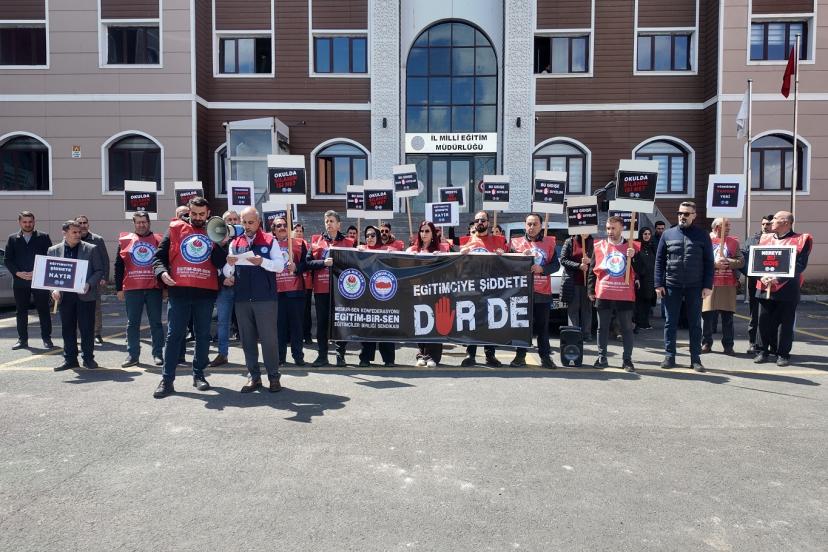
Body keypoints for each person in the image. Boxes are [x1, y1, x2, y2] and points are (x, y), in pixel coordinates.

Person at [151, 197, 228, 398]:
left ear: (208, 213)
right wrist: (161, 272)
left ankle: (199, 374)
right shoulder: (176, 228)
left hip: (205, 293)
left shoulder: (215, 230)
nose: (198, 217)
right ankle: (167, 380)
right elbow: (158, 257)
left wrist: (220, 244)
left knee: (202, 335)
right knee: (174, 335)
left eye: (202, 214)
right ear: (189, 211)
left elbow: (220, 263)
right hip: (179, 291)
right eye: (194, 213)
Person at [224, 207, 286, 392]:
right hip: (242, 298)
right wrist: (229, 265)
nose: (247, 226)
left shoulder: (269, 240)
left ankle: (273, 377)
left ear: (258, 222)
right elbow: (227, 272)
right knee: (247, 340)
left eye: (251, 222)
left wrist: (263, 262)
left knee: (269, 340)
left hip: (265, 298)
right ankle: (254, 377)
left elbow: (280, 266)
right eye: (244, 222)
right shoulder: (235, 243)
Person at [654, 201, 714, 372]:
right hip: (672, 285)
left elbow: (709, 262)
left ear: (694, 215)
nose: (682, 216)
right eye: (680, 213)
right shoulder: (668, 234)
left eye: (686, 214)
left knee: (695, 324)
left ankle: (695, 359)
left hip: (695, 286)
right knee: (670, 323)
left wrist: (707, 285)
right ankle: (669, 356)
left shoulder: (702, 235)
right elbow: (659, 261)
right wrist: (658, 283)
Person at [754, 211, 813, 367]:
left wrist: (778, 278)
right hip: (764, 285)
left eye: (775, 219)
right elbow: (756, 261)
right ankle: (762, 351)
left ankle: (782, 354)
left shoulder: (801, 240)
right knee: (763, 321)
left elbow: (800, 265)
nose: (771, 221)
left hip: (788, 288)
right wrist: (761, 276)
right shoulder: (764, 238)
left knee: (785, 323)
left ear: (786, 222)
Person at [587, 216, 642, 372]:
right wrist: (590, 290)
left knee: (626, 328)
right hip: (604, 292)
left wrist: (634, 257)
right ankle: (602, 357)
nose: (610, 231)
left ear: (621, 229)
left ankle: (627, 360)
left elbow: (642, 270)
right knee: (602, 328)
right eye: (608, 228)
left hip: (624, 293)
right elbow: (592, 269)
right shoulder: (599, 245)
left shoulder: (632, 246)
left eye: (613, 228)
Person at [49, 220, 105, 371]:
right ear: (64, 233)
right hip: (65, 297)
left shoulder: (91, 249)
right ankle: (70, 359)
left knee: (87, 329)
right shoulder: (53, 250)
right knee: (67, 329)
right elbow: (50, 275)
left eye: (79, 232)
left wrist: (89, 284)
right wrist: (53, 290)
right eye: (74, 232)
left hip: (85, 295)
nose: (78, 235)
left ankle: (88, 359)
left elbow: (99, 271)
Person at [114, 212, 165, 367]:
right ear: (134, 223)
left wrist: (165, 288)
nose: (141, 225)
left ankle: (158, 354)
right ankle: (132, 355)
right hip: (132, 288)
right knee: (132, 324)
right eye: (138, 222)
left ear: (149, 223)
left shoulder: (159, 240)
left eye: (144, 222)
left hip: (154, 288)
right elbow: (118, 265)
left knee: (156, 323)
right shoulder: (125, 240)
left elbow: (165, 263)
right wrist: (119, 288)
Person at [509, 213, 559, 368]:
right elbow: (508, 264)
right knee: (522, 326)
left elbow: (555, 265)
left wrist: (542, 269)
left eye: (535, 224)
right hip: (521, 291)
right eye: (529, 224)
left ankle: (545, 357)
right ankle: (520, 356)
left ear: (541, 226)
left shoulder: (549, 243)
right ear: (525, 225)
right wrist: (519, 257)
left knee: (542, 327)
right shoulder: (515, 243)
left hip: (542, 292)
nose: (531, 227)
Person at [306, 210, 354, 367]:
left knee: (340, 323)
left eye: (332, 221)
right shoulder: (316, 242)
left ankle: (340, 355)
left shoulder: (349, 243)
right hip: (322, 290)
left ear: (339, 224)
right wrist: (323, 263)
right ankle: (322, 356)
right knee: (322, 324)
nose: (329, 224)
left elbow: (356, 264)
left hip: (341, 291)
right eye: (326, 221)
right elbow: (307, 263)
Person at [460, 210, 505, 367]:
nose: (480, 222)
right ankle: (470, 354)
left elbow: (507, 263)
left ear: (488, 223)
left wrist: (503, 255)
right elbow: (459, 266)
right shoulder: (466, 240)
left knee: (490, 322)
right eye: (477, 220)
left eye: (483, 220)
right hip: (472, 288)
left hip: (492, 288)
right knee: (471, 321)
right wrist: (460, 254)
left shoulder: (499, 241)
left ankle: (490, 355)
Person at [5, 211, 53, 350]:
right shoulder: (12, 239)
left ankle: (47, 339)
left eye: (30, 221)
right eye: (25, 222)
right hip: (20, 281)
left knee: (43, 310)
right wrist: (18, 273)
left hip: (39, 280)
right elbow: (8, 260)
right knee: (21, 311)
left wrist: (37, 272)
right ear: (20, 222)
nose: (28, 224)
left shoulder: (43, 237)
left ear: (34, 222)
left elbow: (49, 258)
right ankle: (22, 340)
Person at [407, 221, 452, 367]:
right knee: (420, 323)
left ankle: (433, 356)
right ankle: (421, 354)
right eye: (422, 231)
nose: (424, 234)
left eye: (427, 231)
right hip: (418, 293)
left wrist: (441, 258)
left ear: (433, 234)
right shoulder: (413, 249)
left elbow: (450, 266)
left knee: (435, 323)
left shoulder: (441, 249)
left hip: (435, 292)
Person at [701, 218, 744, 355]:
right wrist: (714, 264)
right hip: (709, 283)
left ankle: (728, 345)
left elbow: (741, 261)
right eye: (726, 226)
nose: (729, 228)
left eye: (729, 226)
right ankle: (706, 343)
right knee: (707, 316)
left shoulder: (733, 242)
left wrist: (728, 261)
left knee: (728, 316)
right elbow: (699, 259)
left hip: (728, 284)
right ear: (716, 227)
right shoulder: (705, 240)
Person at [355, 225, 396, 367]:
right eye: (367, 235)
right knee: (367, 327)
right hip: (367, 296)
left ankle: (389, 359)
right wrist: (356, 253)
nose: (370, 238)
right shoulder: (362, 250)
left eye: (373, 235)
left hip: (385, 295)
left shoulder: (386, 250)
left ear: (378, 236)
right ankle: (365, 358)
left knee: (386, 327)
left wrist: (392, 253)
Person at [272, 216, 307, 367]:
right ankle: (280, 357)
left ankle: (298, 356)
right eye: (278, 225)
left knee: (296, 326)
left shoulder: (299, 243)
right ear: (273, 230)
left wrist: (297, 267)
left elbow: (307, 263)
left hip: (295, 291)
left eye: (284, 225)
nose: (282, 228)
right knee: (279, 327)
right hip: (276, 292)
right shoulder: (269, 244)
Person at [209, 210, 240, 368]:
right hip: (224, 288)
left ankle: (252, 356)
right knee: (223, 322)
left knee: (247, 322)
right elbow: (212, 265)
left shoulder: (243, 240)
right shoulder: (214, 243)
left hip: (241, 288)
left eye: (235, 219)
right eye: (229, 220)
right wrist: (223, 280)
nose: (232, 222)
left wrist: (237, 279)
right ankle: (222, 354)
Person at [741, 215, 773, 354]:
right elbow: (743, 259)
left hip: (774, 283)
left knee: (771, 315)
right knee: (755, 314)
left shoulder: (779, 240)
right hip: (755, 282)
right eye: (763, 224)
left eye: (769, 224)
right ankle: (753, 342)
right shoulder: (753, 240)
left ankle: (771, 345)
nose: (765, 226)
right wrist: (752, 274)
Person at [76, 215, 109, 345]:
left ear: (88, 225)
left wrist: (104, 277)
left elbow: (105, 260)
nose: (82, 225)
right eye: (80, 223)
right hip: (76, 279)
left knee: (95, 308)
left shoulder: (97, 240)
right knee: (76, 308)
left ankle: (97, 334)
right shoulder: (72, 238)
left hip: (93, 278)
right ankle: (78, 334)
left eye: (85, 223)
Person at [560, 233, 594, 341]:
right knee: (573, 309)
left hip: (588, 282)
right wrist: (579, 266)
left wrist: (590, 261)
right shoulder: (569, 241)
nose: (585, 232)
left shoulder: (594, 243)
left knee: (587, 309)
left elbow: (600, 260)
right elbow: (563, 260)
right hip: (573, 282)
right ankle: (574, 334)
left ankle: (586, 334)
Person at [293, 222, 314, 345]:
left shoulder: (307, 245)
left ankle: (307, 335)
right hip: (293, 283)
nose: (299, 233)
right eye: (297, 230)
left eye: (301, 231)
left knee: (306, 311)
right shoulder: (289, 244)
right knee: (296, 311)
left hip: (307, 283)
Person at [633, 226, 656, 332]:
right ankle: (639, 322)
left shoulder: (652, 246)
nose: (647, 236)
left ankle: (645, 322)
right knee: (640, 302)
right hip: (641, 279)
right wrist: (637, 276)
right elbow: (634, 263)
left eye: (649, 234)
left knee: (648, 301)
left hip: (651, 278)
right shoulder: (637, 246)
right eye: (645, 234)